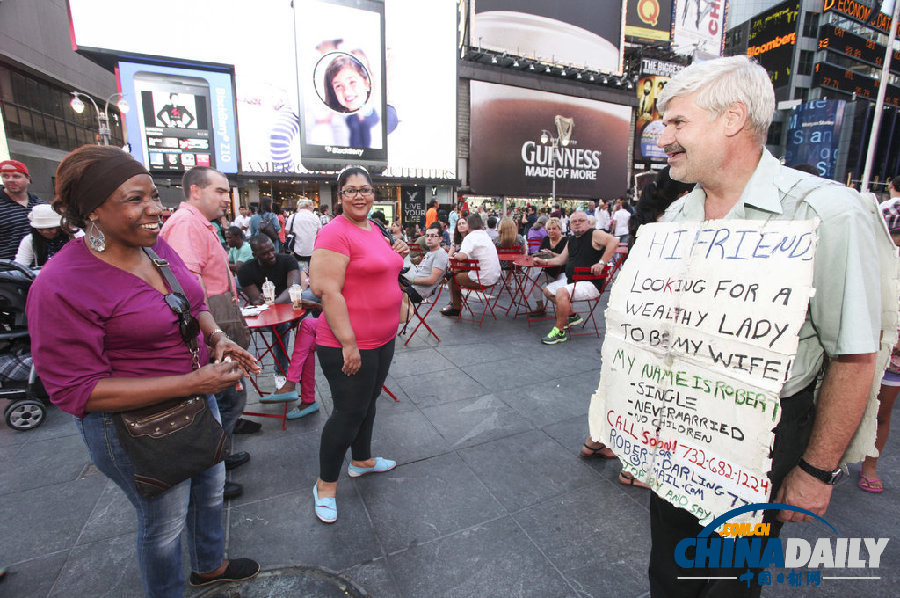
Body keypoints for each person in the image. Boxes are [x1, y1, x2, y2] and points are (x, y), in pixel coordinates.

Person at [647, 54, 888, 597]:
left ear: (732, 118)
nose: (664, 139)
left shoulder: (827, 213)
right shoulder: (677, 216)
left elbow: (852, 356)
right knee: (669, 573)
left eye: (678, 122)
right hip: (678, 425)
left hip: (768, 434)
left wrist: (814, 473)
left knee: (730, 582)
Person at [25, 145, 260, 596]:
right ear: (93, 209)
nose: (156, 209)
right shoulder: (61, 283)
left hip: (198, 398)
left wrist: (216, 337)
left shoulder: (155, 246)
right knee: (165, 523)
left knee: (211, 489)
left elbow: (191, 303)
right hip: (134, 426)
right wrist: (195, 381)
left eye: (153, 195)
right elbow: (76, 391)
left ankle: (210, 565)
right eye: (135, 199)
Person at [309, 165, 409, 523]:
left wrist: (399, 249)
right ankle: (325, 485)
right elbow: (328, 291)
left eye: (365, 189)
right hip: (348, 343)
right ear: (340, 196)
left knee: (369, 402)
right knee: (348, 414)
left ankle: (363, 460)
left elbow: (385, 267)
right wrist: (348, 344)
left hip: (382, 338)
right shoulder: (334, 233)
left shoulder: (375, 228)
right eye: (350, 190)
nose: (359, 196)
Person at [160, 166, 252, 500]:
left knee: (229, 394)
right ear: (195, 191)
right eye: (220, 191)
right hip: (210, 319)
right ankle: (214, 468)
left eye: (227, 191)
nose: (227, 198)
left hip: (217, 314)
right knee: (225, 397)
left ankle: (222, 457)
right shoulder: (185, 224)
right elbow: (190, 283)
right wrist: (210, 332)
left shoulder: (201, 223)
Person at [532, 211, 617, 345]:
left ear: (588, 223)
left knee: (561, 292)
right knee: (548, 291)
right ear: (569, 225)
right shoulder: (571, 240)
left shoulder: (594, 234)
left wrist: (602, 262)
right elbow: (560, 260)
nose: (577, 223)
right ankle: (571, 315)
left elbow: (614, 240)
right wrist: (543, 262)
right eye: (574, 221)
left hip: (590, 283)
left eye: (581, 220)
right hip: (574, 280)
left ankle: (559, 331)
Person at [238, 235, 302, 373]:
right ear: (255, 255)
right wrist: (261, 301)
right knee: (279, 325)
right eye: (265, 253)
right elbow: (255, 299)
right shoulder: (246, 270)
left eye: (272, 250)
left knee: (313, 297)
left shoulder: (287, 260)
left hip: (292, 309)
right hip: (266, 316)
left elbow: (294, 288)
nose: (271, 255)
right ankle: (279, 373)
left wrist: (274, 303)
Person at [440, 213, 501, 317]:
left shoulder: (470, 238)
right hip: (494, 278)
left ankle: (455, 307)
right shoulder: (485, 236)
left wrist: (455, 254)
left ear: (469, 225)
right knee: (455, 271)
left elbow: (462, 256)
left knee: (452, 278)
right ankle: (451, 298)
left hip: (481, 280)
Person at [264, 315, 322, 421]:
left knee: (307, 325)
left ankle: (291, 386)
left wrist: (317, 304)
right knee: (307, 343)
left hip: (351, 322)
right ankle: (307, 400)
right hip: (347, 316)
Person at [323, 54, 380, 148]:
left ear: (367, 83)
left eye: (352, 82)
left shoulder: (378, 119)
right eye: (338, 86)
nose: (347, 92)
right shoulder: (337, 122)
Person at [400, 225, 449, 323]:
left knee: (386, 295)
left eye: (433, 236)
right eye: (427, 235)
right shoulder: (429, 253)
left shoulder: (440, 254)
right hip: (411, 286)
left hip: (418, 292)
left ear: (440, 239)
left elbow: (432, 280)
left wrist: (411, 280)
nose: (429, 238)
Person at [1, 159, 46, 261]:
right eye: (5, 176)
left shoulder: (40, 204)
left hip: (37, 268)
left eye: (16, 176)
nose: (10, 180)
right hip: (6, 269)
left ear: (28, 179)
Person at [14, 204, 76, 269]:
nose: (45, 232)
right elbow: (21, 264)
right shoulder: (29, 240)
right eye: (40, 229)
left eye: (51, 229)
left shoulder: (74, 235)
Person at [526, 217, 567, 316]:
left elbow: (565, 258)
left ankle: (565, 310)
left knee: (559, 289)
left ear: (560, 229)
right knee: (535, 279)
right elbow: (540, 255)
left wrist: (552, 253)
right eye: (549, 229)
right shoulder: (545, 240)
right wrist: (537, 259)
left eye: (554, 228)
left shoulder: (566, 241)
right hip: (549, 271)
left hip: (563, 272)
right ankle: (540, 307)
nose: (551, 231)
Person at [288, 197, 322, 269]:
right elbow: (320, 232)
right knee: (312, 271)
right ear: (308, 206)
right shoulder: (315, 217)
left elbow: (287, 231)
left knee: (301, 270)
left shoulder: (292, 217)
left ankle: (303, 277)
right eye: (312, 206)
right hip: (312, 250)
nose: (313, 208)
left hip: (297, 250)